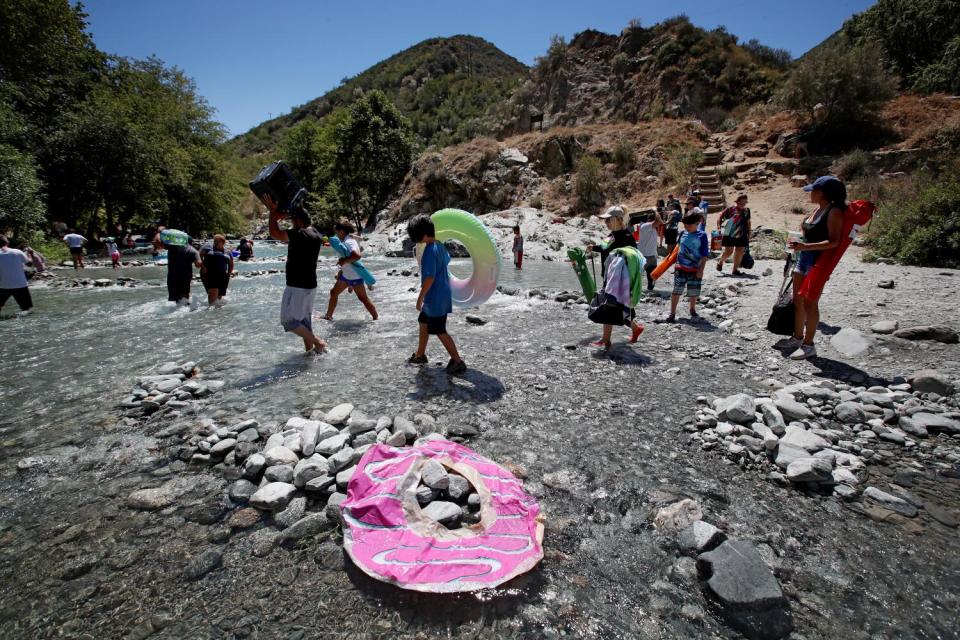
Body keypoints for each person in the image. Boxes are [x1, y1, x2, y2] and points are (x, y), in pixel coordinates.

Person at [778, 175, 848, 360]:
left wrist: (806, 247)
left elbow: (834, 242)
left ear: (821, 193)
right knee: (798, 300)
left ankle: (809, 345)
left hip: (817, 262)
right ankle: (797, 337)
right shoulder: (818, 210)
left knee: (810, 303)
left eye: (813, 191)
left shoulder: (834, 212)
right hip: (803, 258)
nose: (810, 195)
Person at [265, 195, 327, 354]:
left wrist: (273, 212)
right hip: (310, 285)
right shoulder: (316, 234)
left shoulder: (298, 235)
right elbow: (302, 222)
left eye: (293, 221)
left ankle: (318, 342)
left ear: (298, 222)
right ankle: (310, 353)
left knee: (289, 321)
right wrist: (289, 211)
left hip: (296, 285)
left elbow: (274, 233)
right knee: (304, 321)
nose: (291, 224)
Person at [406, 214, 466, 374]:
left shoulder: (429, 251)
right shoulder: (439, 246)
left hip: (435, 297)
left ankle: (457, 361)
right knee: (423, 321)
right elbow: (446, 261)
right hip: (442, 293)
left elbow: (429, 278)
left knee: (439, 330)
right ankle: (420, 355)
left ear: (423, 234)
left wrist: (420, 299)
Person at [589, 206, 644, 348]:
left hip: (620, 280)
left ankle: (607, 339)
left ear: (618, 220)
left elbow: (634, 259)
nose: (606, 222)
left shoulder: (627, 237)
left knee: (614, 306)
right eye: (605, 220)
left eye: (608, 220)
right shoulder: (611, 235)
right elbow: (604, 247)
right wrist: (593, 248)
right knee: (613, 306)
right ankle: (633, 329)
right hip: (609, 275)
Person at [659, 211, 709, 323]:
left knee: (694, 291)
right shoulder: (682, 233)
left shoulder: (702, 236)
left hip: (695, 268)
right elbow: (677, 249)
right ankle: (672, 313)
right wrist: (668, 261)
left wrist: (701, 270)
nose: (687, 227)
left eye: (689, 225)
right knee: (676, 290)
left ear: (697, 223)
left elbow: (705, 255)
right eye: (685, 225)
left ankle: (692, 309)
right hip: (680, 267)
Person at [323, 221, 378, 321]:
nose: (336, 234)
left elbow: (357, 256)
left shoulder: (349, 242)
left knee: (363, 299)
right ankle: (328, 316)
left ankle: (376, 318)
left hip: (355, 276)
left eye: (337, 231)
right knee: (333, 292)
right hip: (346, 275)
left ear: (342, 232)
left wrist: (343, 260)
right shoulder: (345, 239)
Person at [715, 194, 752, 275]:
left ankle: (735, 270)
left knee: (740, 251)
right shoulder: (730, 209)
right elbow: (720, 216)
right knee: (729, 251)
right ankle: (720, 262)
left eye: (745, 202)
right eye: (742, 202)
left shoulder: (747, 210)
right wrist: (718, 228)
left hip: (742, 234)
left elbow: (748, 222)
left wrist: (749, 232)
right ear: (737, 202)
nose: (743, 204)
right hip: (729, 234)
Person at [0, 236, 32, 315]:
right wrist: (30, 254)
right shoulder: (17, 252)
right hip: (20, 285)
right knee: (27, 309)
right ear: (7, 242)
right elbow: (29, 264)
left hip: (3, 285)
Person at [166, 239, 202, 306]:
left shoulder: (172, 247)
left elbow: (159, 244)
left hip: (172, 277)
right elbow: (198, 264)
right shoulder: (192, 250)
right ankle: (186, 307)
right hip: (185, 278)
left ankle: (181, 307)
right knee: (184, 296)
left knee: (178, 298)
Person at [201, 234, 234, 306]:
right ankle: (211, 312)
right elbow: (200, 255)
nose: (215, 243)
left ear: (223, 242)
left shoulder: (227, 252)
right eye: (214, 241)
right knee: (212, 294)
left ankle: (218, 315)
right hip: (210, 274)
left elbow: (231, 264)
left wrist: (228, 274)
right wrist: (203, 266)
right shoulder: (208, 248)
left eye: (217, 241)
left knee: (219, 296)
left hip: (223, 275)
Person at [635, 212, 661, 292]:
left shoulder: (653, 229)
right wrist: (657, 213)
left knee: (652, 278)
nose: (658, 224)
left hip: (652, 256)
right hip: (643, 256)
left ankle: (649, 291)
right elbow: (657, 221)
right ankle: (636, 292)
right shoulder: (645, 226)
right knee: (637, 277)